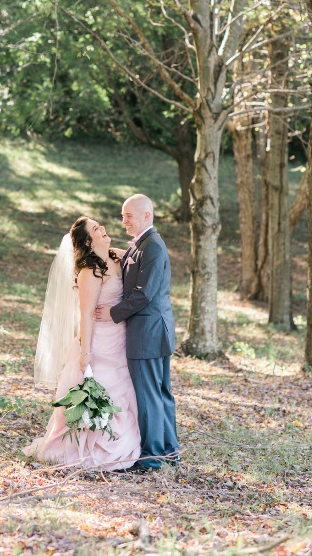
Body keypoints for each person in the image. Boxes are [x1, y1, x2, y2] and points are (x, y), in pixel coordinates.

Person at [23, 216, 141, 471]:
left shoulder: (117, 257)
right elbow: (86, 314)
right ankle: (84, 448)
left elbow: (138, 256)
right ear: (88, 240)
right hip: (99, 341)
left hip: (120, 339)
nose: (104, 229)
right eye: (97, 229)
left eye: (101, 225)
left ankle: (121, 441)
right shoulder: (90, 271)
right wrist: (86, 353)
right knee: (99, 388)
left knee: (122, 391)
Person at [95, 194, 179, 471]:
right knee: (159, 392)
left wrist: (112, 313)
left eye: (128, 215)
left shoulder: (153, 246)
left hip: (147, 332)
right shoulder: (142, 245)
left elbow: (144, 295)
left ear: (146, 216)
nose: (124, 220)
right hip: (152, 330)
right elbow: (128, 263)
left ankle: (153, 456)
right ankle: (169, 451)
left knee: (149, 394)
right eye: (122, 215)